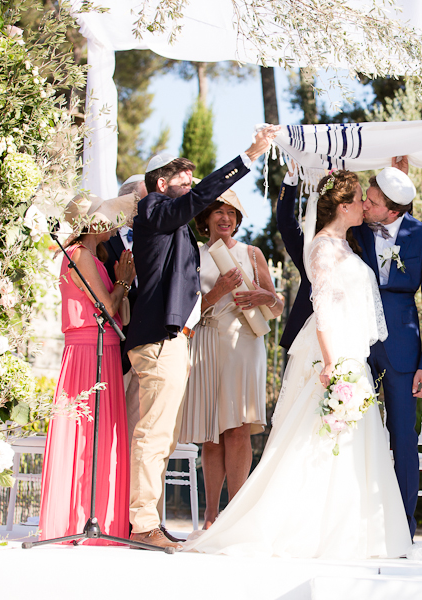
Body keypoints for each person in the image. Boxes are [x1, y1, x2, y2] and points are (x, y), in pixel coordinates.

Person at [183, 170, 412, 559]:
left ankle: (352, 529)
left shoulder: (347, 244)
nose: (365, 205)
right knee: (318, 438)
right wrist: (332, 362)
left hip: (352, 350)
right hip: (333, 352)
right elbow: (321, 307)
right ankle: (305, 528)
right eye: (359, 199)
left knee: (351, 441)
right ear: (343, 206)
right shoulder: (323, 247)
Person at [124, 127, 278, 550]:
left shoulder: (178, 232)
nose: (192, 190)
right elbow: (193, 202)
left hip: (177, 340)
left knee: (164, 437)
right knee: (154, 436)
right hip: (159, 339)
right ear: (161, 184)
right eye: (185, 183)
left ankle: (146, 519)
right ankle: (141, 524)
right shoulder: (154, 208)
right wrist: (247, 157)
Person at [352, 157, 422, 539]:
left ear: (392, 209)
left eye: (371, 201)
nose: (364, 205)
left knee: (403, 439)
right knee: (351, 429)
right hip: (356, 346)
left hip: (404, 353)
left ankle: (403, 526)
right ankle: (356, 519)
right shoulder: (355, 231)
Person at [179, 188, 284, 529]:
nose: (226, 218)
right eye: (219, 211)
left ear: (238, 220)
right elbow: (187, 307)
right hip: (207, 340)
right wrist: (219, 291)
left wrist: (266, 296)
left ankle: (236, 516)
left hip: (245, 343)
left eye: (232, 213)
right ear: (206, 217)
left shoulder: (253, 254)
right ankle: (211, 516)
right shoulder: (193, 254)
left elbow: (277, 307)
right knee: (212, 431)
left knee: (238, 428)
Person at [38, 192, 137, 545]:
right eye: (108, 219)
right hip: (88, 354)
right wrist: (123, 281)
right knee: (85, 435)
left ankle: (99, 514)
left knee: (102, 436)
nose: (114, 225)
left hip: (104, 351)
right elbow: (107, 307)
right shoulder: (79, 254)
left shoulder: (92, 256)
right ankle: (76, 518)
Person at [102, 173, 145, 440]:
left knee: (135, 430)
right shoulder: (103, 241)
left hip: (143, 347)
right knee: (106, 426)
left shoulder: (155, 241)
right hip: (111, 346)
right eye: (141, 200)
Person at [277, 166, 312, 351]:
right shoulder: (311, 252)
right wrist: (291, 178)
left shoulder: (359, 244)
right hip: (307, 337)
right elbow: (286, 222)